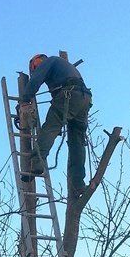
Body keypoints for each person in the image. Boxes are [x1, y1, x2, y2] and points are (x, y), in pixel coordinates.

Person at [17, 53, 92, 192]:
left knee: (50, 128)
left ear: (36, 63)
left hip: (69, 95)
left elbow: (36, 80)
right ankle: (78, 183)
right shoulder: (64, 67)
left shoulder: (49, 61)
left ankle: (37, 163)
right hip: (84, 98)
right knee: (77, 143)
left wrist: (25, 99)